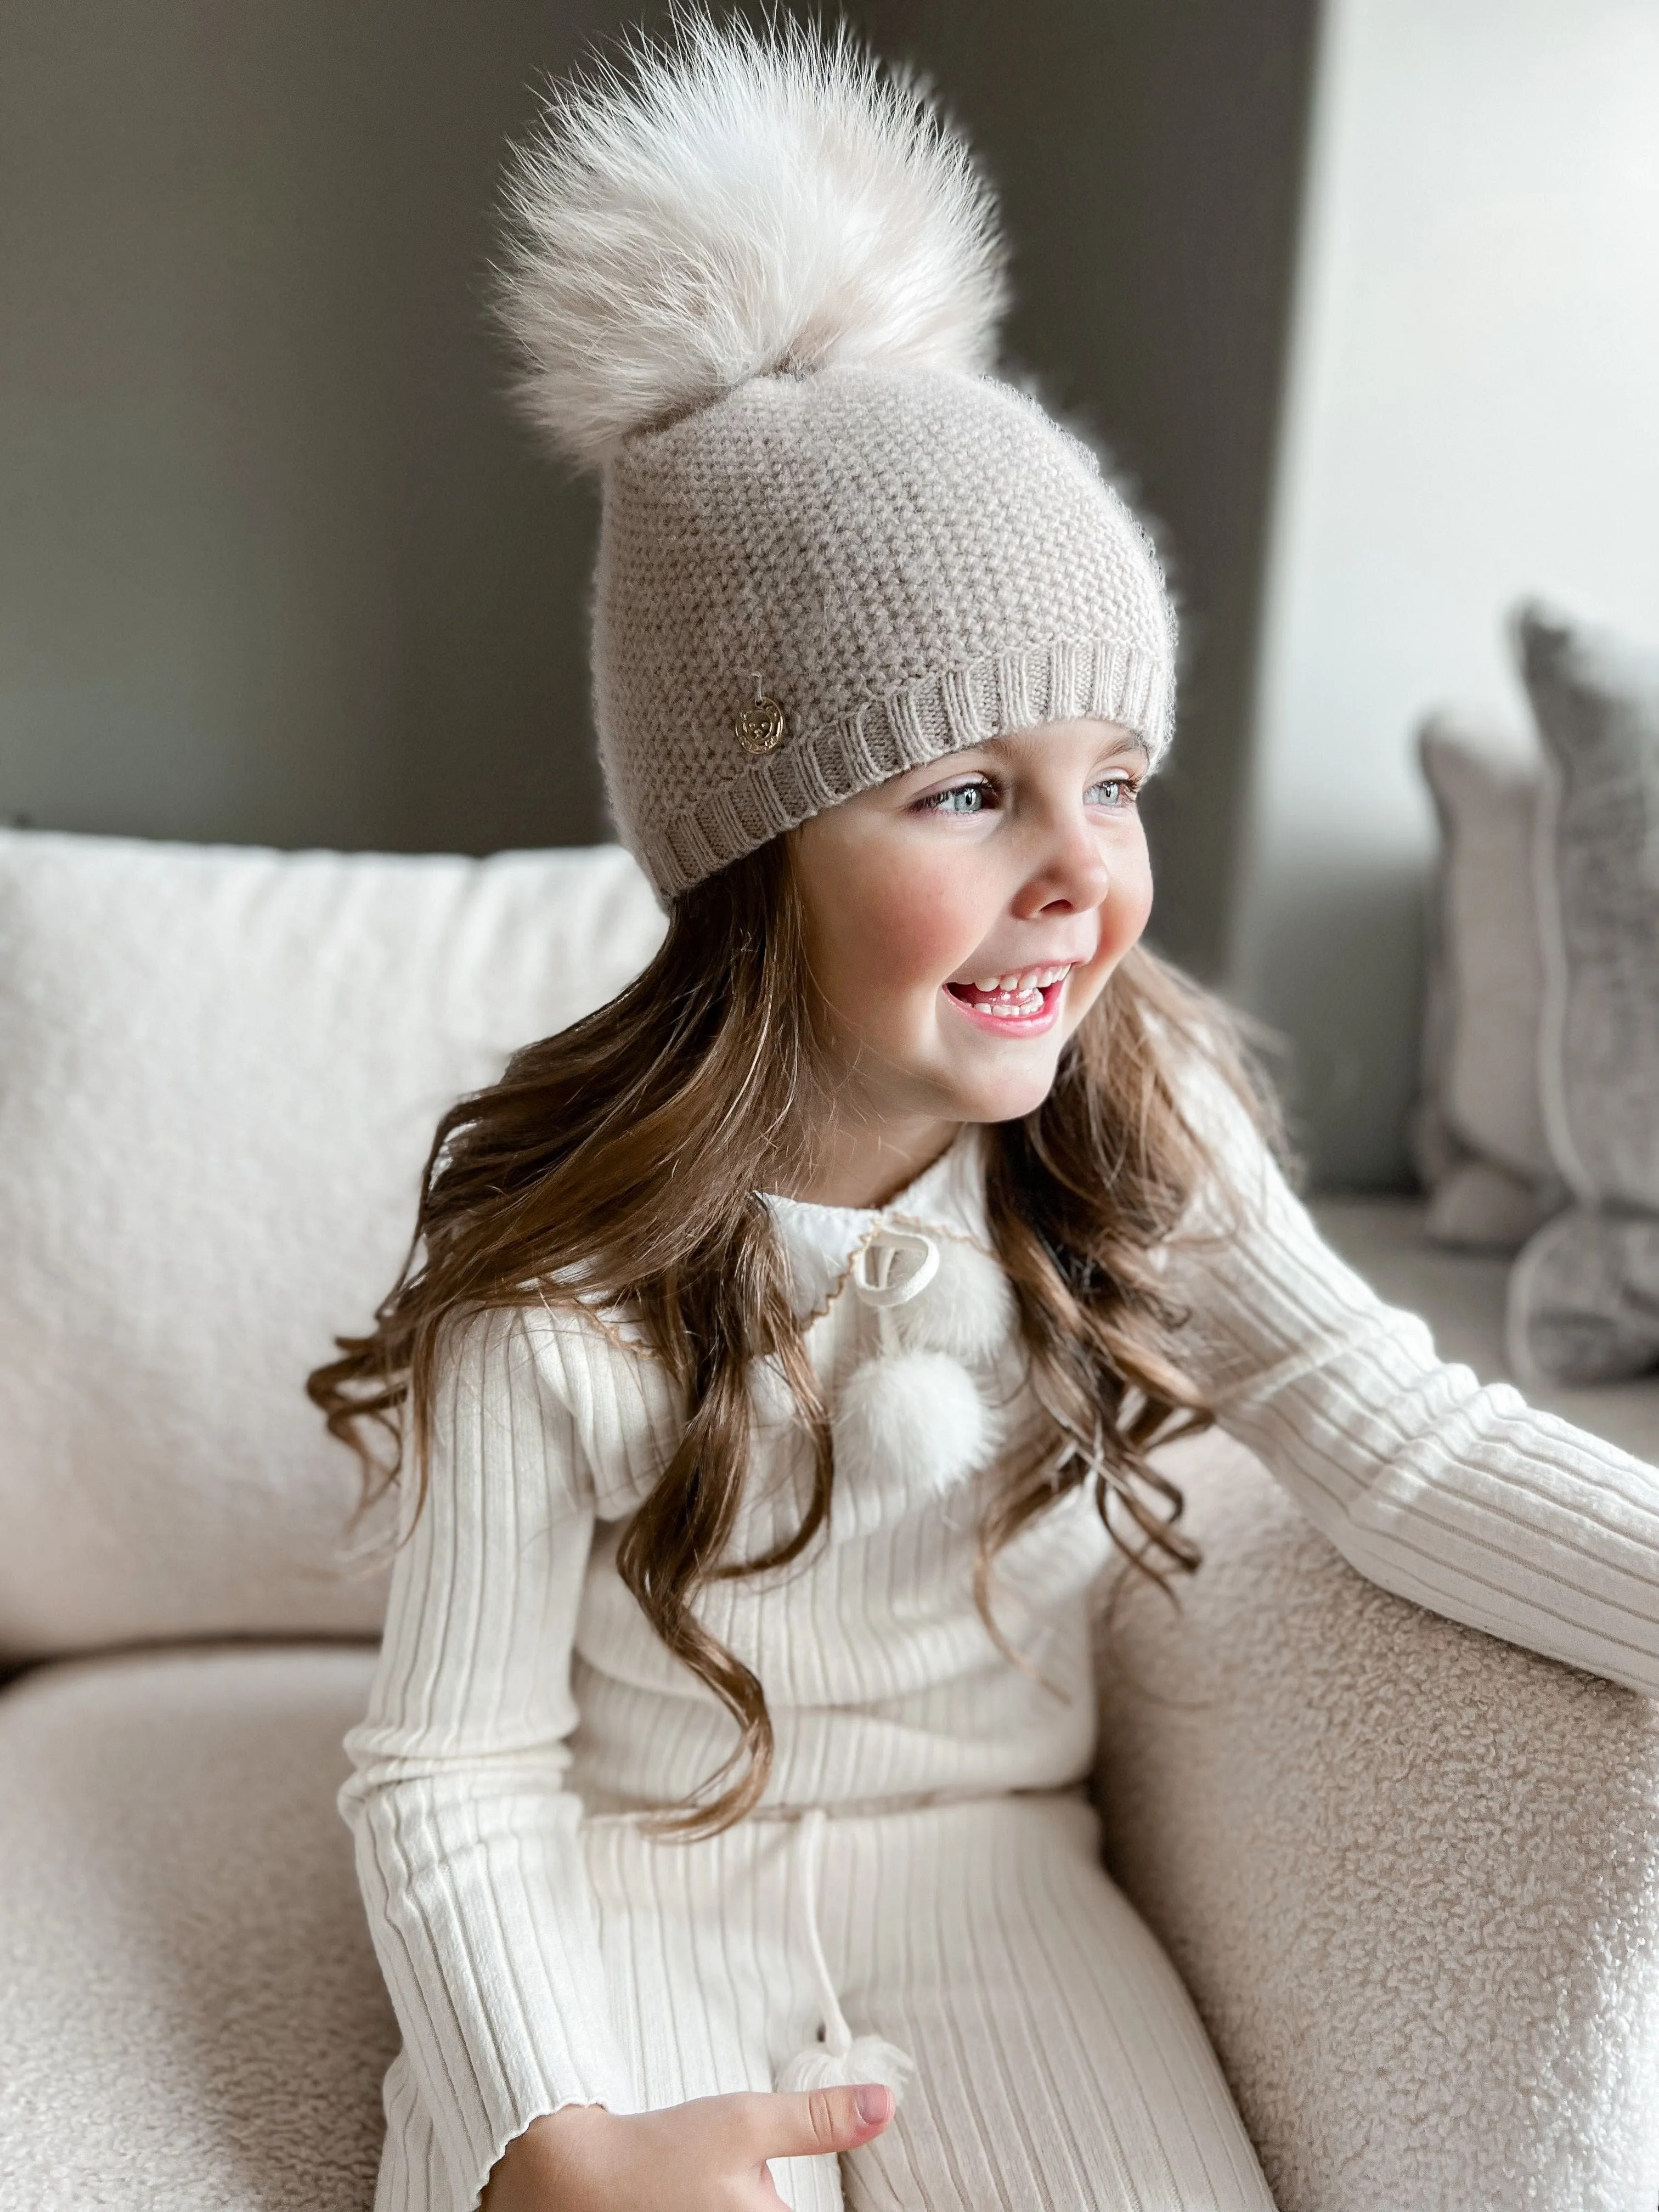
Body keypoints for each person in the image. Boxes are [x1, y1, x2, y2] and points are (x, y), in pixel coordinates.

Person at [311, 19, 1659, 2212]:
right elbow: (449, 1771)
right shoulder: (552, 1273)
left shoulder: (1142, 1134)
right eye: (968, 792)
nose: (1084, 872)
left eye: (1112, 780)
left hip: (1005, 1900)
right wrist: (537, 2131)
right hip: (617, 1899)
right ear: (748, 847)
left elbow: (1394, 1441)